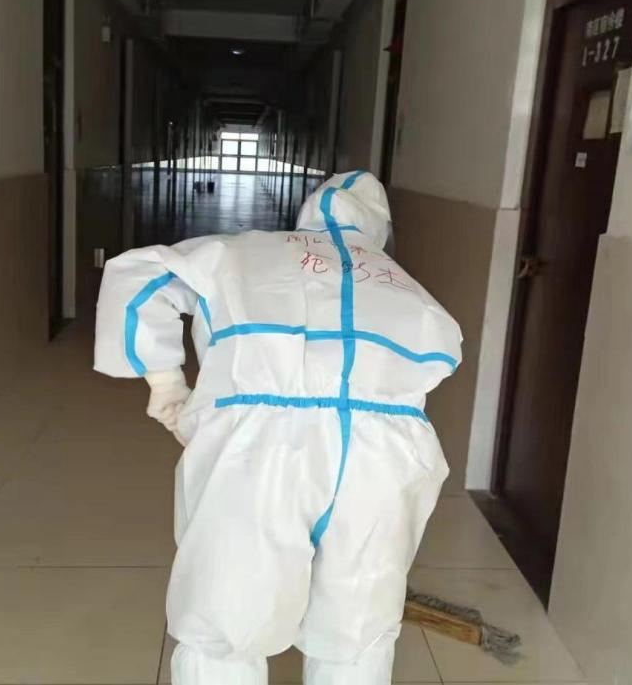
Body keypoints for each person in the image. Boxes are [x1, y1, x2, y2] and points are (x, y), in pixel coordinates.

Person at [94, 170, 462, 684]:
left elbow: (140, 274)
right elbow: (442, 358)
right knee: (358, 625)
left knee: (227, 616)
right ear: (378, 227)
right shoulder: (405, 285)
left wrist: (166, 383)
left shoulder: (241, 251)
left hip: (259, 447)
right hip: (383, 453)